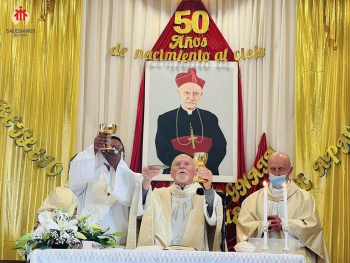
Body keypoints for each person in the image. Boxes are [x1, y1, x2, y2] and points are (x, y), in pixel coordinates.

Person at [236, 152, 329, 263]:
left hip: (295, 252)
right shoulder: (252, 200)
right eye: (273, 169)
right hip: (261, 254)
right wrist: (262, 225)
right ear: (267, 169)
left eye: (281, 169)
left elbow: (313, 229)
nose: (276, 173)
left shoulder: (305, 199)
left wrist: (286, 224)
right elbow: (243, 228)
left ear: (290, 170)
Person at [126, 154, 224, 251]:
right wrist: (146, 181)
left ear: (195, 172)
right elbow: (139, 212)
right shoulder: (158, 195)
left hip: (194, 256)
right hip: (162, 255)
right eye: (177, 164)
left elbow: (213, 220)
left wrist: (208, 187)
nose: (182, 166)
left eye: (187, 164)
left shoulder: (203, 195)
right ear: (171, 173)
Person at [69, 134, 142, 246]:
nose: (111, 151)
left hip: (119, 248)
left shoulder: (134, 179)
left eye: (116, 148)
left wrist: (117, 166)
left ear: (123, 154)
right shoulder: (89, 176)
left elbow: (139, 207)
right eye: (108, 147)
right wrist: (94, 148)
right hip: (87, 246)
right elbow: (76, 174)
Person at [155, 68, 227, 175]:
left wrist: (202, 168)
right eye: (187, 93)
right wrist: (185, 166)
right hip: (177, 174)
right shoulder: (165, 119)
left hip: (205, 172)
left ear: (201, 95)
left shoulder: (210, 118)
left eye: (196, 93)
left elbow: (220, 147)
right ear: (179, 93)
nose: (191, 97)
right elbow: (163, 150)